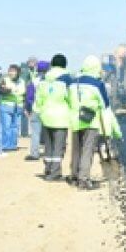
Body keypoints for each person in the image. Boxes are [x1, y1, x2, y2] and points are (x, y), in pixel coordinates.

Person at [69, 55, 117, 190]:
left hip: (75, 119)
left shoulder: (73, 82)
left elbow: (68, 99)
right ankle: (83, 180)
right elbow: (105, 104)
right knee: (87, 150)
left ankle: (74, 176)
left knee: (76, 149)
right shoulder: (98, 84)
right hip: (91, 121)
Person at [36, 54, 72, 181]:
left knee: (48, 146)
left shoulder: (44, 78)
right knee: (58, 146)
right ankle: (55, 172)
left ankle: (48, 169)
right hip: (61, 117)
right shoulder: (67, 79)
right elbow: (71, 97)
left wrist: (39, 111)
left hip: (46, 116)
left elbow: (39, 98)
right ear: (65, 64)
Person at [24, 60, 49, 161]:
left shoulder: (34, 81)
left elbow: (29, 97)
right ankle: (49, 153)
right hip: (48, 110)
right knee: (48, 132)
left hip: (36, 109)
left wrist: (27, 109)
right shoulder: (52, 82)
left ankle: (34, 154)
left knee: (35, 133)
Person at [0, 64, 25, 152]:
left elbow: (23, 93)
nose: (11, 73)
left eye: (13, 71)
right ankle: (5, 145)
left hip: (18, 107)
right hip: (7, 106)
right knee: (6, 126)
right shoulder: (4, 80)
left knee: (15, 127)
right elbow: (1, 90)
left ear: (18, 72)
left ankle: (13, 145)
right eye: (10, 71)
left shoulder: (22, 81)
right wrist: (8, 90)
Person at [20, 56, 37, 137]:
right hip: (26, 93)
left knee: (33, 112)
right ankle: (24, 132)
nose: (33, 64)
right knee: (25, 113)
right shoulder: (24, 71)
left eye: (34, 62)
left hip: (33, 93)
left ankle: (32, 132)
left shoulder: (34, 71)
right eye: (31, 62)